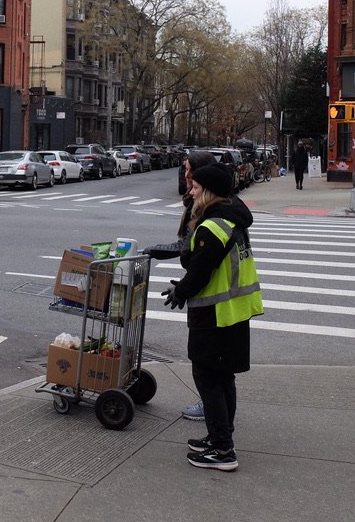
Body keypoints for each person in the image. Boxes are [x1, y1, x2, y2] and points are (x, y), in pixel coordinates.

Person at [159, 162, 263, 471]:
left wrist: (180, 292)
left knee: (208, 379)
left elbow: (199, 270)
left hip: (216, 314)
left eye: (195, 187)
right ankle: (219, 437)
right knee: (223, 378)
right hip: (233, 312)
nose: (190, 191)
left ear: (209, 191)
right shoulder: (231, 218)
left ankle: (222, 450)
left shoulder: (212, 227)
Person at [145, 149, 219, 422]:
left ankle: (216, 421)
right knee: (210, 361)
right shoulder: (200, 203)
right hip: (211, 296)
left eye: (190, 171)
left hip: (213, 300)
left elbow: (195, 253)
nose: (185, 175)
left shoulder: (209, 211)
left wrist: (184, 288)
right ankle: (215, 411)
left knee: (205, 361)